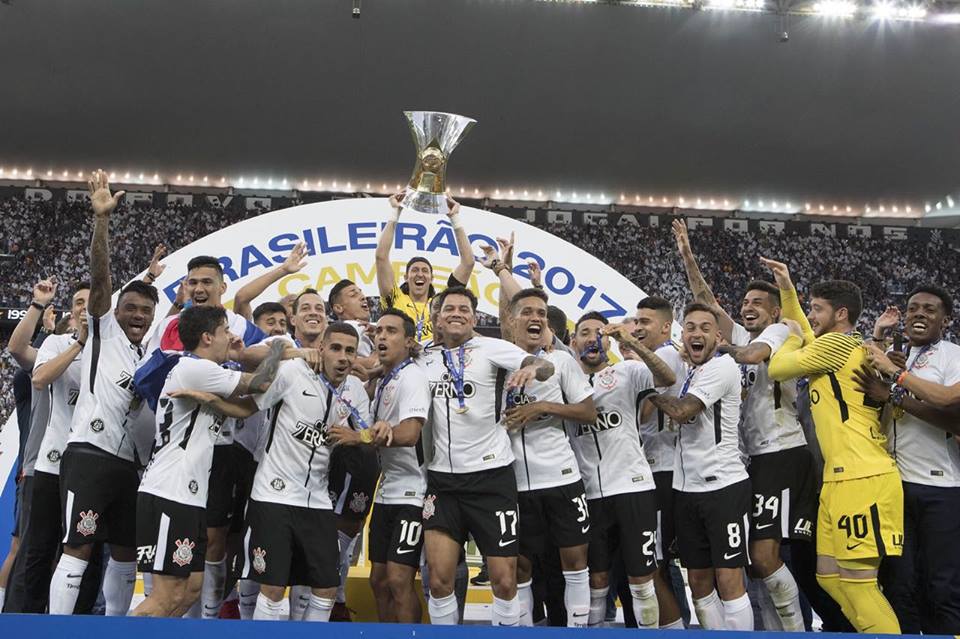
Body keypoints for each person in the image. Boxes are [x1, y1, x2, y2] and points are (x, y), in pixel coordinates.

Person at [178, 323, 368, 622]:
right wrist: (212, 401)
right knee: (273, 587)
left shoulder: (354, 391)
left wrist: (360, 436)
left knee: (326, 589)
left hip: (318, 501)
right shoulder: (293, 373)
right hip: (273, 497)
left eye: (349, 351)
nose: (343, 357)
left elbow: (368, 435)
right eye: (335, 348)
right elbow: (247, 408)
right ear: (321, 349)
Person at [765, 258, 902, 634]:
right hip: (838, 480)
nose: (811, 316)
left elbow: (778, 367)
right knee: (828, 576)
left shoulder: (837, 345)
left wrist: (790, 335)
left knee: (859, 585)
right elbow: (807, 330)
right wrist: (787, 288)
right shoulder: (837, 347)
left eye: (818, 309)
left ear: (841, 314)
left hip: (863, 477)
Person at [49, 170, 158, 617]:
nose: (138, 315)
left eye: (146, 310)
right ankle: (56, 628)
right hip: (90, 455)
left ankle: (117, 627)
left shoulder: (147, 356)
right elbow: (100, 281)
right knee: (78, 545)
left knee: (126, 552)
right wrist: (102, 222)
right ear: (116, 311)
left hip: (129, 465)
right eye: (130, 307)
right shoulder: (104, 332)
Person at [132, 307, 285, 617]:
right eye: (225, 330)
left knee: (190, 589)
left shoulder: (207, 375)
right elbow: (262, 382)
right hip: (168, 491)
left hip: (188, 496)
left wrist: (238, 358)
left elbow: (247, 407)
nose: (232, 336)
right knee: (165, 595)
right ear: (207, 337)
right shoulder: (195, 368)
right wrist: (279, 347)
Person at [419, 286, 554, 626]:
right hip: (443, 482)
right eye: (449, 308)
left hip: (491, 479)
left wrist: (533, 369)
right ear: (437, 318)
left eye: (464, 309)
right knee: (439, 581)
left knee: (504, 581)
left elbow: (543, 366)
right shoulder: (423, 357)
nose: (457, 313)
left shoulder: (493, 348)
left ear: (474, 318)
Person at [854, 286, 960, 634]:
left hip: (940, 487)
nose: (919, 314)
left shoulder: (953, 356)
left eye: (929, 309)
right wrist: (880, 344)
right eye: (913, 308)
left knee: (942, 586)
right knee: (899, 583)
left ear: (946, 320)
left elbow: (951, 410)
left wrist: (896, 388)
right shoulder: (897, 356)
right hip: (894, 486)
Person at [567, 311, 676, 629]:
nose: (592, 338)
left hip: (633, 488)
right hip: (589, 494)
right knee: (596, 580)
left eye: (599, 333)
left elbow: (667, 378)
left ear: (608, 341)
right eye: (585, 333)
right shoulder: (565, 382)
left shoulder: (628, 371)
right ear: (573, 342)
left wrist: (631, 342)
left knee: (642, 579)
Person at [649, 303, 753, 631]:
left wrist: (645, 392)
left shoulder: (723, 367)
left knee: (729, 578)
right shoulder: (690, 372)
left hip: (723, 488)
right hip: (686, 489)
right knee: (697, 579)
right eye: (690, 328)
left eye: (705, 328)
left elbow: (681, 412)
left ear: (718, 337)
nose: (697, 333)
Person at [499, 288, 597, 627]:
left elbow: (588, 411)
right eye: (527, 312)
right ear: (511, 320)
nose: (536, 318)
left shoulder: (562, 362)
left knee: (575, 562)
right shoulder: (497, 362)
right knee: (520, 568)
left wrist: (542, 406)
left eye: (541, 313)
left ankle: (577, 631)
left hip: (561, 477)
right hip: (513, 481)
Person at [329, 309, 430, 623]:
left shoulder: (413, 377)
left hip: (413, 494)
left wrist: (359, 437)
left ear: (409, 341)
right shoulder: (386, 377)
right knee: (379, 580)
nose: (382, 336)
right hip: (387, 491)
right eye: (379, 331)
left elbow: (410, 434)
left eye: (391, 331)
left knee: (399, 579)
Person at [17, 283, 89, 613]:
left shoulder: (114, 348)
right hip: (50, 462)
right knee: (37, 549)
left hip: (93, 467)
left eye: (90, 301)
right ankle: (25, 622)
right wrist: (79, 343)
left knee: (84, 552)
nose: (84, 307)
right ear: (71, 310)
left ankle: (77, 624)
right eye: (78, 302)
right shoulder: (57, 342)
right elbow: (39, 377)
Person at [632, 296, 689, 629]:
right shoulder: (673, 354)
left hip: (661, 468)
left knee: (657, 560)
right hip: (671, 465)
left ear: (666, 326)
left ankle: (674, 627)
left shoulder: (664, 356)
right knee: (665, 559)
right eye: (636, 321)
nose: (638, 327)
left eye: (645, 322)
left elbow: (641, 413)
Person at [326, 279, 382, 619]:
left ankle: (336, 600)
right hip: (333, 454)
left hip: (359, 452)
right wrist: (373, 360)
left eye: (363, 294)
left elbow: (368, 372)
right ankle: (332, 601)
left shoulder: (372, 332)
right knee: (335, 531)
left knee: (347, 530)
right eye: (353, 294)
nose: (363, 298)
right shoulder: (350, 333)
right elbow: (366, 366)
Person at [375, 194, 475, 343]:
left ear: (431, 278)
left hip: (435, 356)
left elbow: (468, 262)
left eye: (425, 271)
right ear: (406, 277)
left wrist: (454, 218)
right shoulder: (395, 298)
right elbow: (381, 257)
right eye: (415, 270)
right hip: (402, 356)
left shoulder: (441, 302)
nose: (420, 274)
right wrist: (396, 211)